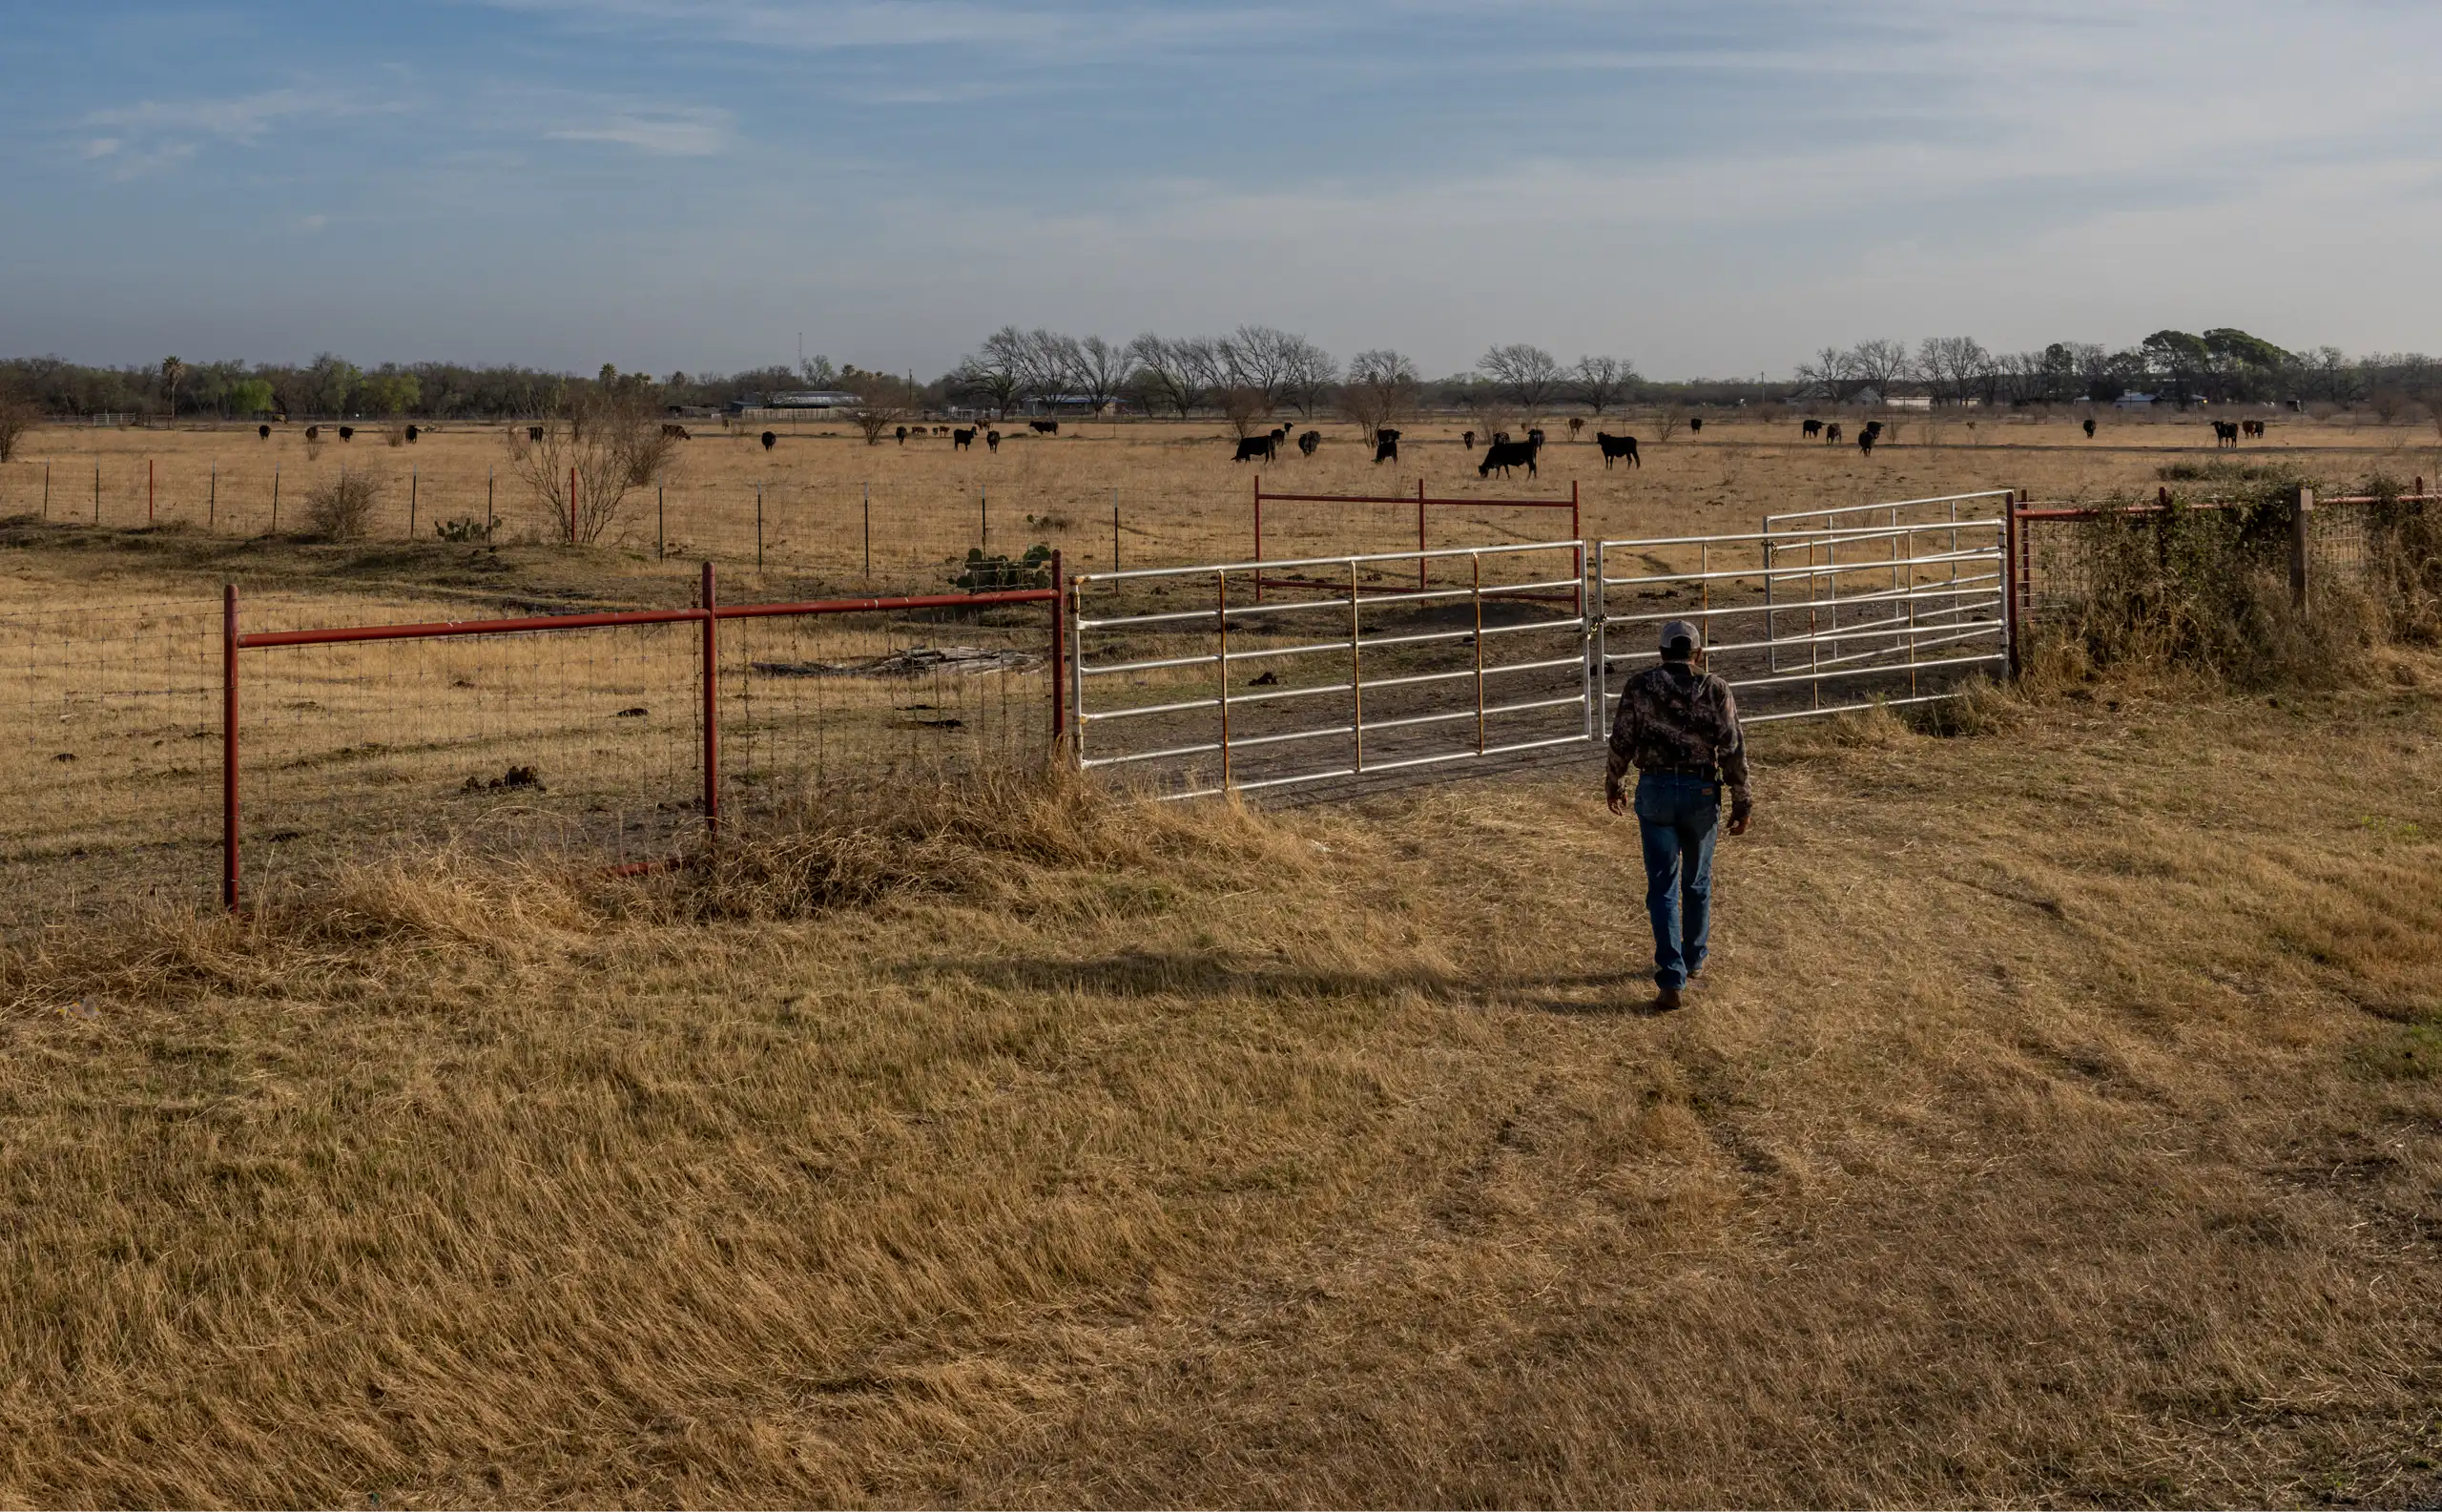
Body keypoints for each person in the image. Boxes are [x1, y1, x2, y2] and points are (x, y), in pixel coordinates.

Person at [1604, 620, 1752, 1011]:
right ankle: (1694, 958)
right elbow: (1732, 747)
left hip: (1655, 791)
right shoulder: (1716, 689)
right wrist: (1742, 800)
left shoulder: (1640, 687)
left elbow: (1622, 738)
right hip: (1702, 792)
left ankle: (1671, 977)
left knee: (1662, 886)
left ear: (1661, 654)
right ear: (1698, 654)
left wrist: (1614, 780)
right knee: (1697, 882)